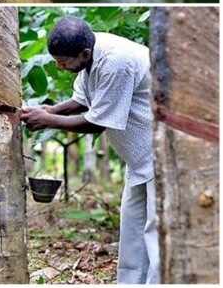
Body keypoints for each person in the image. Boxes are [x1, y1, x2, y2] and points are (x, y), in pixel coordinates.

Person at [19, 16, 159, 284]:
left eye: (63, 62)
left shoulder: (117, 61)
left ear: (84, 53)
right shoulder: (90, 57)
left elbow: (97, 124)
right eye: (56, 61)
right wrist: (50, 110)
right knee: (132, 229)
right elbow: (82, 101)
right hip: (140, 161)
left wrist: (49, 120)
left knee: (156, 231)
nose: (60, 67)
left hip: (160, 156)